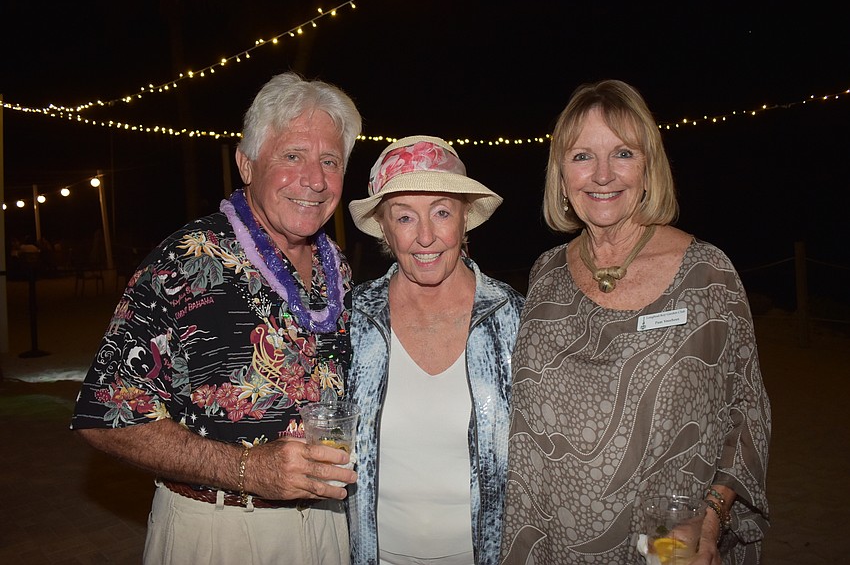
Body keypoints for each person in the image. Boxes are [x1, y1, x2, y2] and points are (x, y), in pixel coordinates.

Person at [71, 72, 362, 565]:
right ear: (246, 163)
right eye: (293, 156)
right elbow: (104, 417)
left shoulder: (338, 268)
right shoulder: (186, 261)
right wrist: (247, 468)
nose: (314, 180)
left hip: (328, 526)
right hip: (220, 532)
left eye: (330, 162)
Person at [499, 80, 771, 565]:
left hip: (666, 536)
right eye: (582, 156)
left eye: (623, 153)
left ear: (649, 168)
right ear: (561, 176)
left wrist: (710, 515)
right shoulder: (545, 275)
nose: (602, 175)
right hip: (551, 539)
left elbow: (747, 412)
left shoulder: (706, 275)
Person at [346, 135, 525, 565]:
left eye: (441, 212)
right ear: (384, 230)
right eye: (404, 217)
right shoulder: (350, 321)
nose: (425, 237)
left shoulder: (515, 319)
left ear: (465, 220)